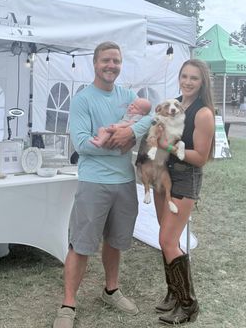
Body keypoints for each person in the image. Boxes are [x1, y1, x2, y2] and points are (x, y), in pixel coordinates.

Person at [53, 41, 152, 328]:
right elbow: (82, 144)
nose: (111, 66)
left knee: (115, 241)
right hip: (94, 182)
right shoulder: (83, 99)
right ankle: (68, 304)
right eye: (106, 60)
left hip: (124, 182)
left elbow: (145, 125)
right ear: (95, 63)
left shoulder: (129, 96)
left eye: (116, 61)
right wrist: (118, 143)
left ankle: (111, 290)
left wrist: (130, 135)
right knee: (82, 244)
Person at [153, 59, 215, 325]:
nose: (188, 82)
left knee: (168, 241)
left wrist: (166, 146)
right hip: (162, 175)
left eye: (194, 78)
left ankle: (188, 305)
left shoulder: (203, 114)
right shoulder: (174, 103)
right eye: (185, 76)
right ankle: (174, 294)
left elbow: (200, 157)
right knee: (168, 239)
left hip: (184, 179)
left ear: (203, 83)